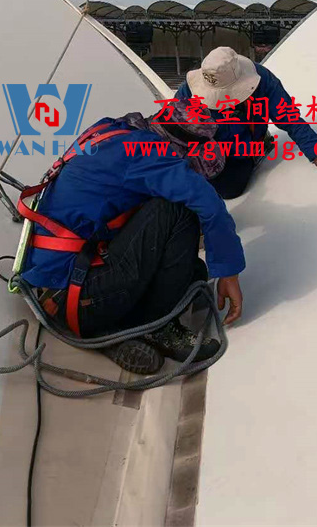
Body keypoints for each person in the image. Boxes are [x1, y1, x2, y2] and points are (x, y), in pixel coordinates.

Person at [18, 99, 245, 374]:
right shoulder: (150, 154)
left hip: (54, 281)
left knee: (192, 269)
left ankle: (116, 327)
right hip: (76, 297)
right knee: (179, 211)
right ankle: (158, 327)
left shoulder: (111, 131)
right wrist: (229, 272)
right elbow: (209, 205)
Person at [176, 46, 317, 199]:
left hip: (242, 145)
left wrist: (316, 150)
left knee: (229, 189)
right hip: (206, 145)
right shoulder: (190, 88)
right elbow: (173, 126)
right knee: (185, 183)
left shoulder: (262, 79)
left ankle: (259, 146)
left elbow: (288, 115)